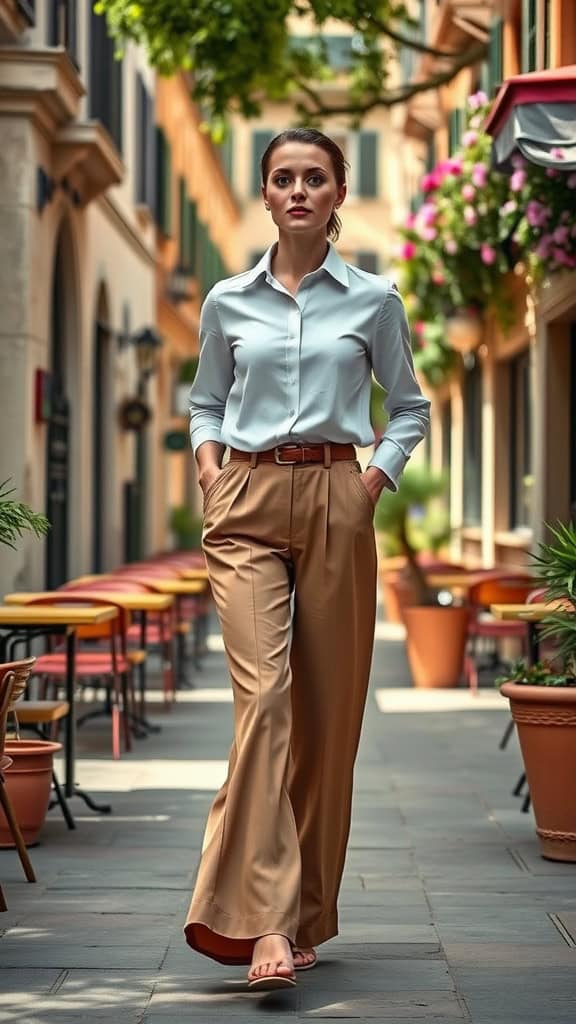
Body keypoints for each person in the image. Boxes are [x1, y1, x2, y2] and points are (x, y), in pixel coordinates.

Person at [184, 127, 430, 990]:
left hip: (336, 498)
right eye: (282, 177)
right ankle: (264, 926)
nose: (297, 190)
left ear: (337, 195)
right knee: (268, 702)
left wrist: (371, 483)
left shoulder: (373, 301)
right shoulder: (226, 300)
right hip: (247, 502)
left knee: (328, 722)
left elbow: (408, 407)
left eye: (314, 178)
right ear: (264, 194)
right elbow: (205, 402)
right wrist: (212, 471)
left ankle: (307, 912)